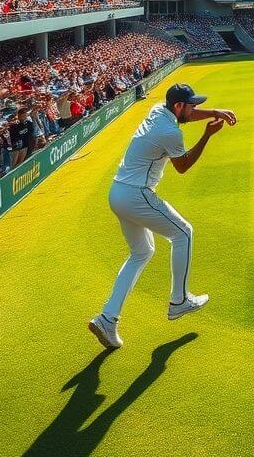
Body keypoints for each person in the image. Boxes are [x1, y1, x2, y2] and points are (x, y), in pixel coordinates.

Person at [89, 83, 237, 350]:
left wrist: (216, 110)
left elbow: (188, 115)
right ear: (178, 106)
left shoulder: (159, 110)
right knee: (183, 233)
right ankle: (179, 300)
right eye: (190, 104)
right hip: (136, 195)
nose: (194, 109)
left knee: (141, 252)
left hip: (117, 192)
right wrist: (207, 135)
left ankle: (107, 319)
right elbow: (183, 166)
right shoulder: (170, 132)